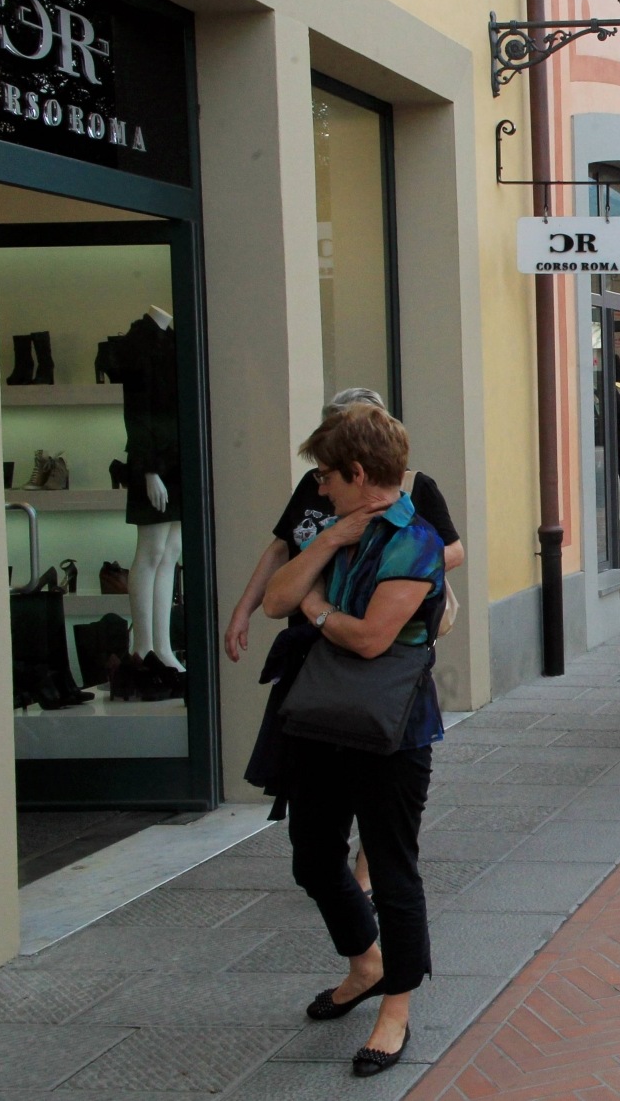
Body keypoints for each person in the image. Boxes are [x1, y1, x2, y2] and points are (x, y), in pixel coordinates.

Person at [261, 403, 446, 1078]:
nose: (319, 487)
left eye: (326, 475)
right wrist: (328, 542)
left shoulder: (416, 539)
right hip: (319, 721)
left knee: (393, 869)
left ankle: (394, 1007)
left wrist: (317, 607)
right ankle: (367, 959)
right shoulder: (332, 527)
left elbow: (370, 637)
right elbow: (275, 600)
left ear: (359, 472)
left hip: (390, 729)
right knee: (312, 855)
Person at [231, 388, 465, 896]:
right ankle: (362, 941)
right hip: (317, 669)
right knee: (315, 845)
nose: (324, 480)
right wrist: (245, 609)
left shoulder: (413, 500)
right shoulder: (318, 491)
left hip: (384, 670)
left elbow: (374, 634)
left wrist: (379, 582)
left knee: (389, 844)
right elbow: (279, 555)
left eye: (331, 462)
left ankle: (367, 881)